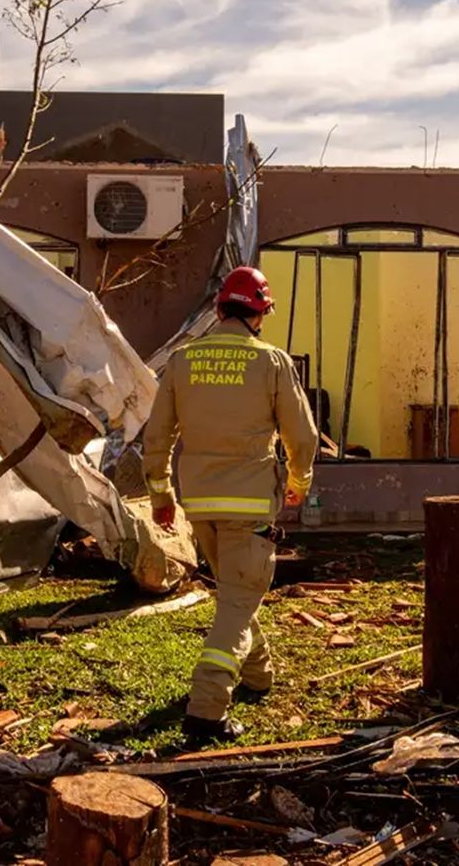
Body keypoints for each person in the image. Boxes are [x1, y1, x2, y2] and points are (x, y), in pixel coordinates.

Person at [142, 265, 319, 743]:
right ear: (259, 314)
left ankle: (259, 676)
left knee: (236, 596)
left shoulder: (182, 360)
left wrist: (161, 494)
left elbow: (156, 437)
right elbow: (302, 437)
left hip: (200, 504)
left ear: (220, 308)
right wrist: (298, 483)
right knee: (240, 598)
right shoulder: (272, 362)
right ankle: (207, 708)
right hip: (250, 504)